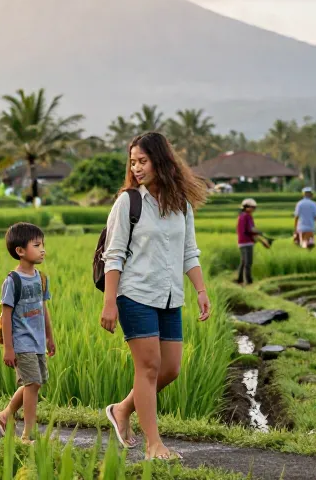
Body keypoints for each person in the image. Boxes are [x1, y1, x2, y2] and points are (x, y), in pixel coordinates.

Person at [99, 132, 211, 461]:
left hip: (169, 296)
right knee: (148, 368)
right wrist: (110, 302)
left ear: (161, 161)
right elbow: (114, 255)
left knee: (170, 369)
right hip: (134, 294)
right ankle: (153, 445)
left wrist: (201, 290)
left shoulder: (181, 204)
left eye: (143, 161)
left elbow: (189, 252)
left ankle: (122, 409)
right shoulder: (129, 202)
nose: (136, 167)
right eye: (132, 162)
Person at [0, 223, 56, 443]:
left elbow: (43, 309)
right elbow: (6, 316)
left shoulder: (41, 278)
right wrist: (8, 348)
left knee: (36, 382)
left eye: (43, 245)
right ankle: (28, 434)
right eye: (37, 245)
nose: (42, 250)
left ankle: (5, 415)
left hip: (38, 341)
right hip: (21, 343)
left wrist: (50, 337)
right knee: (32, 386)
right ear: (20, 251)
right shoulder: (13, 281)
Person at [236, 198, 271, 286]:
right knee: (248, 262)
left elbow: (248, 231)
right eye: (253, 207)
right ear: (247, 207)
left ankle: (240, 280)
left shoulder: (241, 216)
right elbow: (251, 230)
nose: (254, 209)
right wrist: (260, 233)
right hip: (247, 243)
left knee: (243, 262)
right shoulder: (247, 216)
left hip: (241, 242)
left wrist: (261, 239)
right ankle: (249, 282)